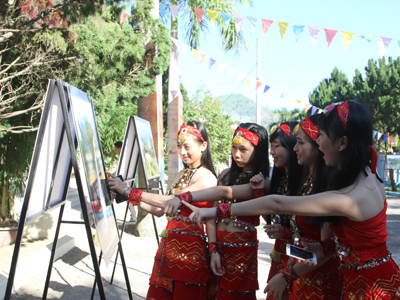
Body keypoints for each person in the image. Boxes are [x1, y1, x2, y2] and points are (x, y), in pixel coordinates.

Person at [184, 101, 400, 299]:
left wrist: (212, 212)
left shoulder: (349, 197)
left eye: (320, 136)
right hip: (358, 280)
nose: (318, 142)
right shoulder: (365, 173)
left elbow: (276, 203)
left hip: (374, 289)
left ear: (342, 143)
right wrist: (324, 247)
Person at [107, 120, 218, 300]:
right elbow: (160, 209)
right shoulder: (182, 175)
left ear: (203, 145)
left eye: (187, 146)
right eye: (180, 146)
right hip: (168, 248)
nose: (182, 152)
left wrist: (127, 190)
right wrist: (127, 196)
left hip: (189, 255)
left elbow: (170, 200)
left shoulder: (207, 178)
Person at [261, 115, 343, 299]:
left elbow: (328, 248)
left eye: (300, 143)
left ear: (318, 145)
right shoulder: (308, 183)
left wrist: (286, 275)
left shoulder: (328, 186)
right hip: (302, 271)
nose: (296, 148)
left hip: (320, 279)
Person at [206, 123, 270, 299]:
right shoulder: (225, 175)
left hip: (242, 251)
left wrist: (259, 191)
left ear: (258, 150)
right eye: (234, 147)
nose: (236, 154)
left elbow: (266, 215)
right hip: (217, 245)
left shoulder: (263, 180)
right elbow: (211, 215)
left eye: (243, 149)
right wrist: (212, 249)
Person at [114, 141, 136, 224]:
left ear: (120, 148)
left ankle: (133, 217)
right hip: (126, 179)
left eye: (115, 148)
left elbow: (122, 170)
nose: (114, 150)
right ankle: (133, 216)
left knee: (129, 198)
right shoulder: (124, 156)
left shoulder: (125, 157)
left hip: (127, 180)